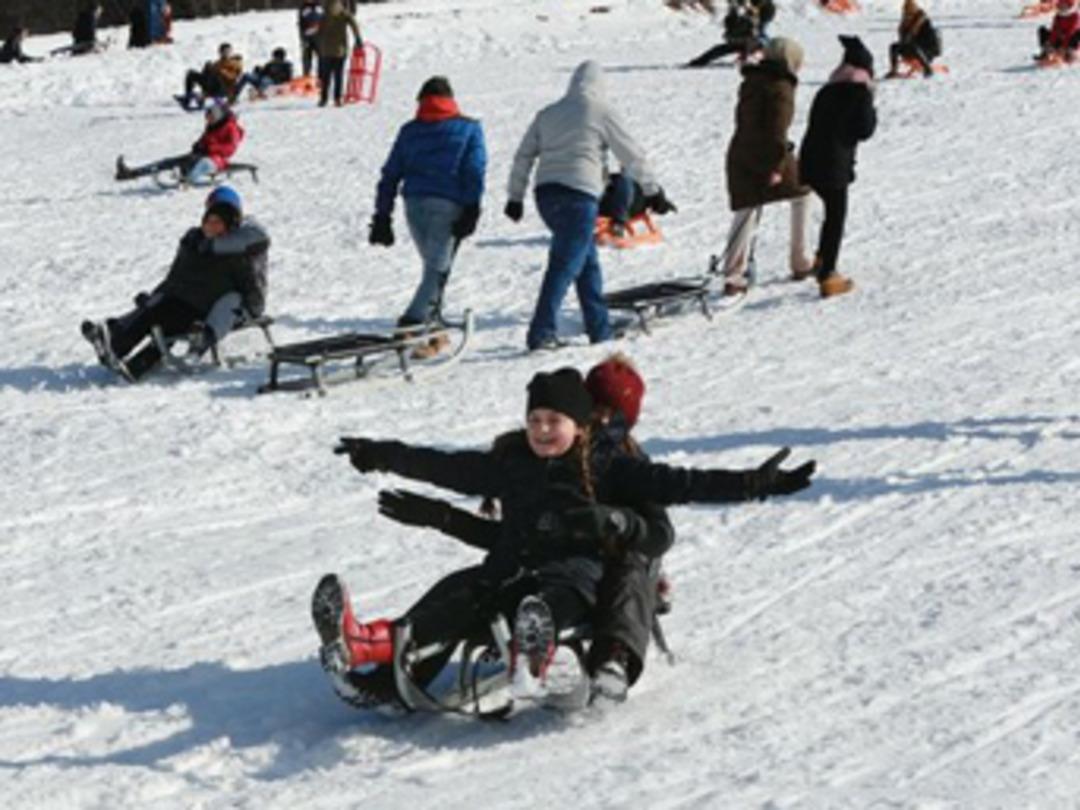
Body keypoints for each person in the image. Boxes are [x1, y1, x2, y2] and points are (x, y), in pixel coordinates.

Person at [319, 368, 815, 710]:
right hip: (514, 569)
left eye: (553, 421)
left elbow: (681, 483)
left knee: (551, 600)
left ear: (579, 425)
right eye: (534, 419)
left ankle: (533, 652)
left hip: (580, 578)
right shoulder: (512, 464)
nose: (541, 429)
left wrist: (754, 484)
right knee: (460, 591)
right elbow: (445, 465)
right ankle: (369, 645)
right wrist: (382, 453)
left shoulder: (609, 467)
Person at [375, 354, 672, 702]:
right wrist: (442, 517)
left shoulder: (627, 465)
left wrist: (620, 525)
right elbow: (513, 533)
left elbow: (660, 533)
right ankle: (390, 672)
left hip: (597, 578)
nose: (602, 419)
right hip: (546, 568)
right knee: (459, 591)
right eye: (596, 409)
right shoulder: (545, 457)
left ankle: (610, 660)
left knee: (629, 572)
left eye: (612, 413)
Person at [505, 61, 676, 351]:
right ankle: (541, 333)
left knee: (587, 265)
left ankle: (600, 330)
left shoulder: (548, 114)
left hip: (546, 196)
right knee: (564, 265)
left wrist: (515, 197)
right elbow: (631, 155)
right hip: (579, 197)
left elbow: (523, 156)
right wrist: (653, 191)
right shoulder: (601, 111)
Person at [80, 187, 270, 381]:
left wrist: (211, 246)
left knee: (199, 310)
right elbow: (176, 278)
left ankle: (193, 345)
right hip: (199, 302)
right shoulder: (196, 241)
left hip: (234, 305)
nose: (211, 227)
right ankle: (115, 343)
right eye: (208, 221)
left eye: (217, 222)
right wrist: (154, 298)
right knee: (159, 309)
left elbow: (258, 236)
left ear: (232, 221)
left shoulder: (246, 241)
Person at [368, 76, 486, 354]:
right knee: (437, 270)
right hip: (448, 205)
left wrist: (382, 215)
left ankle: (433, 332)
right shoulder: (469, 128)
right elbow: (474, 170)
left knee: (433, 268)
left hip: (414, 205)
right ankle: (410, 324)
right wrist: (472, 207)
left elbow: (390, 174)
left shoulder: (410, 131)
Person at [721, 37, 813, 296]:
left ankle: (733, 274)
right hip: (768, 153)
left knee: (746, 208)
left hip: (741, 150)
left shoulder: (752, 79)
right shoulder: (781, 86)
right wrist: (776, 165)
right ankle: (800, 260)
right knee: (803, 194)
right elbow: (777, 130)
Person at [798, 35, 878, 299]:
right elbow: (865, 130)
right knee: (835, 216)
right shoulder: (859, 93)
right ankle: (829, 275)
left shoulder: (827, 89)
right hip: (833, 165)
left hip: (810, 160)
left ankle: (822, 259)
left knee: (830, 211)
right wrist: (870, 102)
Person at [115, 98, 244, 186]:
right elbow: (204, 140)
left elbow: (230, 149)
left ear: (217, 116)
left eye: (209, 117)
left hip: (216, 160)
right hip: (199, 155)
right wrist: (198, 144)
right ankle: (131, 173)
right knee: (168, 162)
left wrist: (211, 147)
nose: (207, 120)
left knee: (197, 163)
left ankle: (186, 179)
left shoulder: (231, 127)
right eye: (207, 117)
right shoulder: (212, 126)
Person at [685, 0, 775, 68]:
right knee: (719, 49)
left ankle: (766, 53)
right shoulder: (737, 16)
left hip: (761, 20)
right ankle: (700, 61)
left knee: (759, 36)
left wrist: (754, 10)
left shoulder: (753, 16)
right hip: (743, 38)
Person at [316, 0, 362, 107]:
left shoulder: (324, 14)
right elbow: (353, 24)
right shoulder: (343, 13)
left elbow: (319, 32)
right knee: (338, 75)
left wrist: (317, 44)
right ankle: (337, 99)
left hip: (326, 50)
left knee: (325, 76)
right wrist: (358, 39)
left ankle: (323, 98)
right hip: (340, 50)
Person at [176, 43, 245, 110]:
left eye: (228, 51)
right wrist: (208, 69)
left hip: (225, 89)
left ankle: (201, 97)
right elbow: (208, 77)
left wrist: (222, 72)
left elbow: (235, 78)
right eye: (224, 51)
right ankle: (188, 99)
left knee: (216, 74)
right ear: (220, 52)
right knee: (191, 73)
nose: (226, 53)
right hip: (212, 87)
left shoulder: (235, 63)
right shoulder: (217, 63)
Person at [886, 0, 941, 78]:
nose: (907, 16)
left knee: (914, 46)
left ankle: (927, 68)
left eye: (909, 13)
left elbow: (929, 40)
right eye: (906, 13)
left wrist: (911, 39)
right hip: (912, 48)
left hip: (927, 51)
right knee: (894, 46)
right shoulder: (906, 22)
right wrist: (902, 30)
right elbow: (903, 39)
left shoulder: (924, 22)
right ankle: (893, 70)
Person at [298, 1, 324, 78]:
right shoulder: (304, 8)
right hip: (307, 38)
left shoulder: (320, 7)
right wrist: (303, 39)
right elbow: (301, 24)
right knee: (306, 61)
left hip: (319, 38)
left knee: (322, 60)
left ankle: (322, 79)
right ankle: (306, 77)